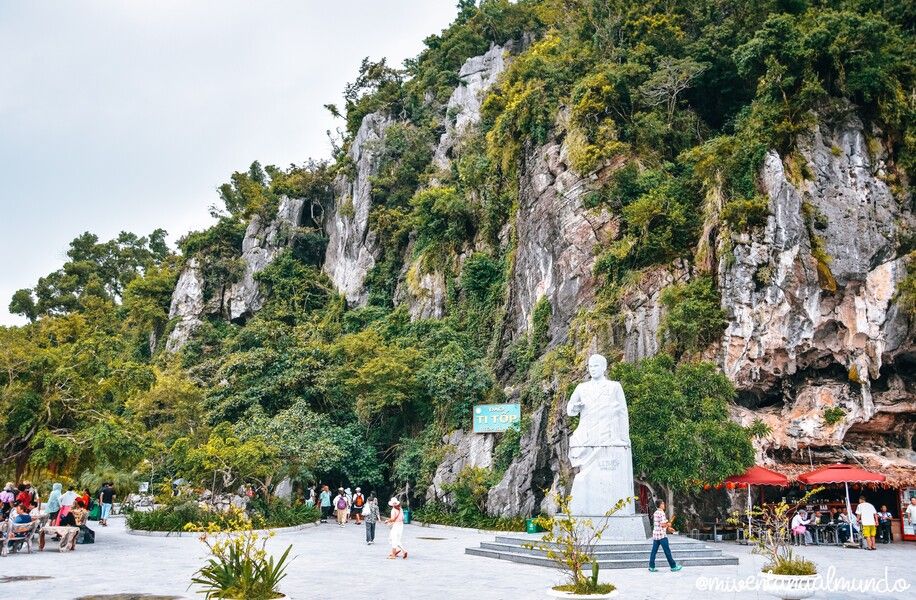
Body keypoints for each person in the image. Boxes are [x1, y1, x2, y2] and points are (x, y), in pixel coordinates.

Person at [648, 499, 681, 572]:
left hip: (656, 535)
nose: (664, 505)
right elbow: (663, 524)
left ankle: (651, 566)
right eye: (663, 504)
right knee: (667, 551)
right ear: (660, 505)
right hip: (662, 536)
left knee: (654, 551)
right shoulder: (661, 513)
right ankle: (673, 566)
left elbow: (660, 524)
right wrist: (668, 524)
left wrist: (669, 528)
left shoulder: (656, 512)